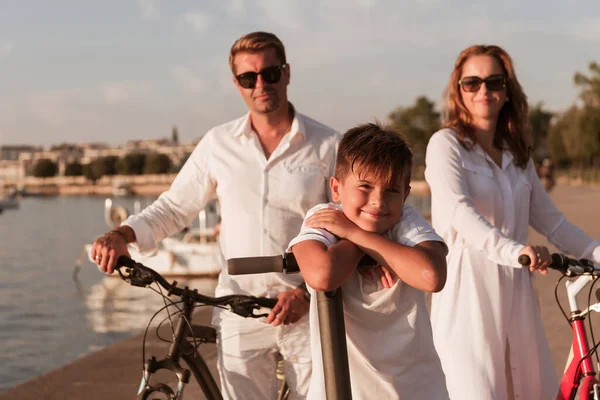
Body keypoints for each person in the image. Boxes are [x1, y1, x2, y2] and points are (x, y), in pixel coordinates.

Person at [91, 31, 342, 399]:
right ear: (237, 83)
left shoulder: (328, 145)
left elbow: (344, 228)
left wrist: (306, 291)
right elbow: (176, 206)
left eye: (270, 73)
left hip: (308, 308)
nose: (261, 84)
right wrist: (122, 235)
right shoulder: (218, 143)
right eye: (248, 77)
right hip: (238, 307)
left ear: (286, 73)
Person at [425, 44, 600, 400]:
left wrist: (597, 253)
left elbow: (552, 222)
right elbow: (460, 214)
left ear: (507, 90)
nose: (483, 91)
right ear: (458, 90)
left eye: (494, 81)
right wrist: (513, 250)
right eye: (471, 83)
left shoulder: (517, 155)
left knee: (528, 388)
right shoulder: (445, 145)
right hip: (468, 288)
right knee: (475, 389)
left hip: (517, 289)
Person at [289, 122, 449, 400]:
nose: (378, 202)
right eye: (365, 186)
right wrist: (371, 245)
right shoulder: (326, 216)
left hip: (417, 389)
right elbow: (321, 275)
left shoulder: (405, 220)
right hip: (345, 389)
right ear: (336, 189)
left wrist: (356, 234)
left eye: (391, 191)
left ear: (405, 195)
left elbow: (432, 276)